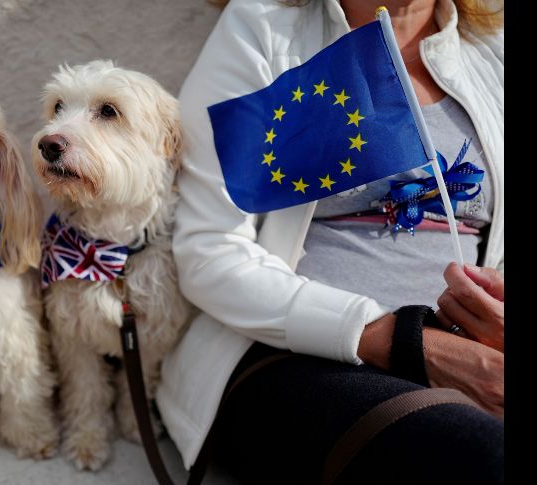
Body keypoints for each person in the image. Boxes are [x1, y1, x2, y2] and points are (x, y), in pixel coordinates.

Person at [155, 0, 504, 483]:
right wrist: (412, 345)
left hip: (476, 354)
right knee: (478, 457)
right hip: (297, 356)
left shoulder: (491, 54)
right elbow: (210, 253)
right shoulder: (263, 30)